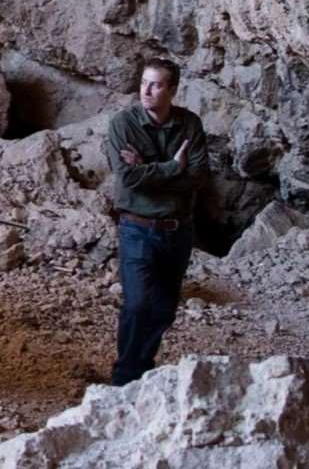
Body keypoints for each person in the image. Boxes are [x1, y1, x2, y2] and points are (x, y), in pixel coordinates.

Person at [106, 56, 209, 386]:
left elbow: (198, 177)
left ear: (172, 90)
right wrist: (169, 167)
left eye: (156, 85)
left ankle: (142, 368)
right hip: (137, 227)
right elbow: (127, 179)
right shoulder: (123, 124)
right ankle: (124, 379)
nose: (146, 91)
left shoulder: (189, 125)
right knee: (137, 305)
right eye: (143, 83)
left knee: (164, 310)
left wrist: (147, 169)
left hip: (178, 232)